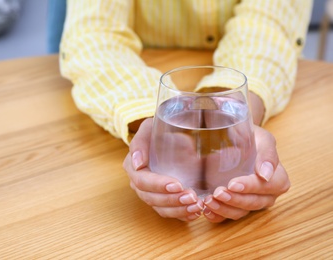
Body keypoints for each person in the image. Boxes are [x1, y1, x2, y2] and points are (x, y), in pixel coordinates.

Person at [59, 0, 312, 222]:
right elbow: (94, 36)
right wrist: (153, 120)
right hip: (143, 79)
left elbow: (267, 28)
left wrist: (236, 110)